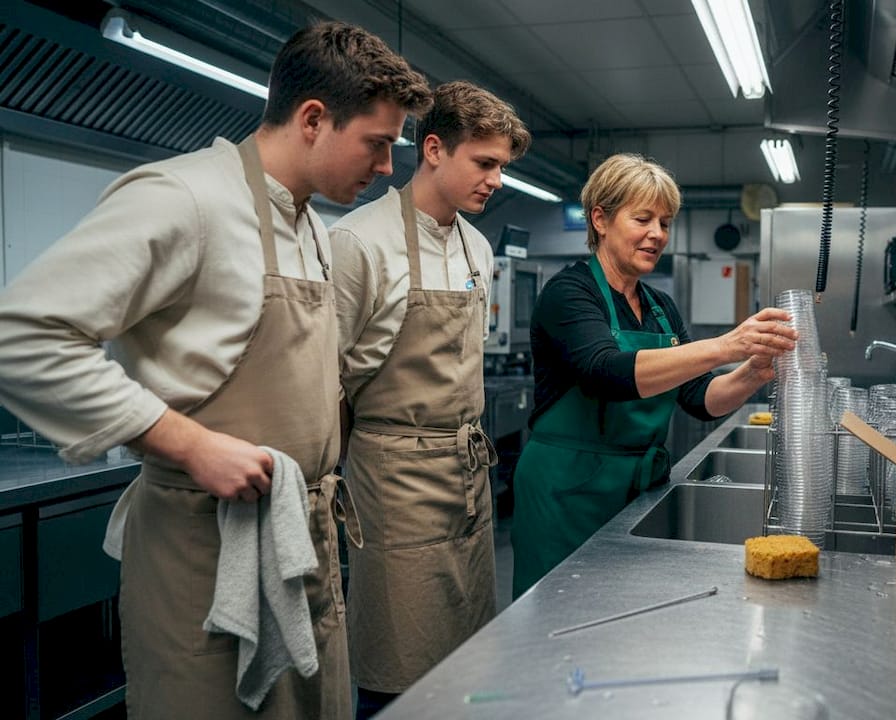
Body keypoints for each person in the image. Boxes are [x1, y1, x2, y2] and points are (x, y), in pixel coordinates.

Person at [0, 22, 431, 719]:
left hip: (302, 539)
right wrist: (188, 442)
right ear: (314, 119)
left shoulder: (313, 226)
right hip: (204, 553)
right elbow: (22, 334)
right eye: (378, 143)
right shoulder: (184, 198)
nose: (387, 168)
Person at [510, 153, 799, 598]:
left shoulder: (661, 307)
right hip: (565, 491)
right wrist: (726, 345)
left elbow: (700, 399)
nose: (657, 234)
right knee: (558, 616)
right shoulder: (568, 293)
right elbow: (605, 371)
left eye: (665, 222)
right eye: (643, 218)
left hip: (638, 491)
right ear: (600, 219)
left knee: (626, 615)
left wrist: (752, 373)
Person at [329, 80, 531, 716]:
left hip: (465, 470)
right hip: (393, 478)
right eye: (486, 163)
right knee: (398, 663)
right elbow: (324, 379)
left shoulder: (478, 246)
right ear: (435, 149)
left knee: (466, 654)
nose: (496, 181)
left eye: (502, 167)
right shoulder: (359, 243)